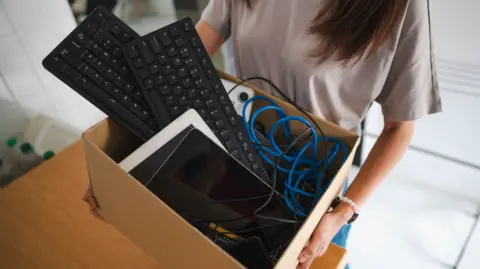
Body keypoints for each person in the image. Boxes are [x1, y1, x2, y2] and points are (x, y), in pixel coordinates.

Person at [84, 0, 442, 268]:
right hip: (236, 150)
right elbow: (186, 59)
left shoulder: (401, 7)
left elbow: (399, 128)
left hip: (319, 184)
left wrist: (340, 214)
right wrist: (120, 166)